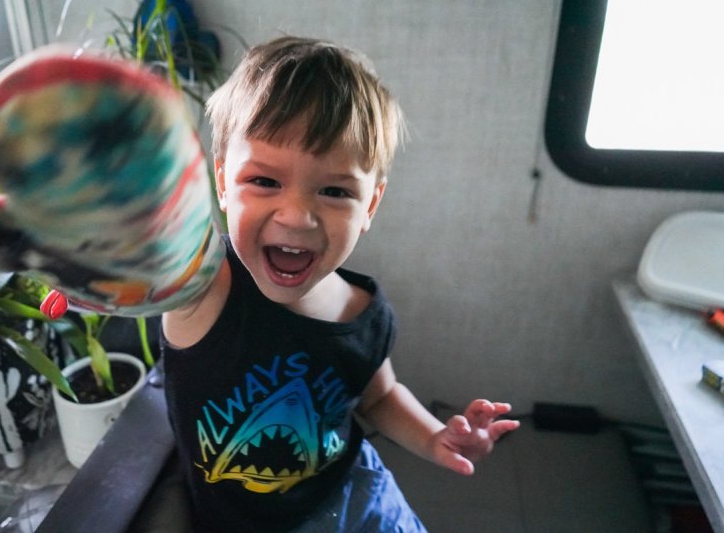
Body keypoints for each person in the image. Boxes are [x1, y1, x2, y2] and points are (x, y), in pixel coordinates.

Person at [160, 35, 520, 532]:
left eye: (334, 190)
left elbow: (379, 397)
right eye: (264, 181)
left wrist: (437, 438)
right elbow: (151, 265)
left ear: (370, 205)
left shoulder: (362, 313)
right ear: (222, 183)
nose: (297, 216)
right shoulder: (207, 287)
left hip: (356, 496)